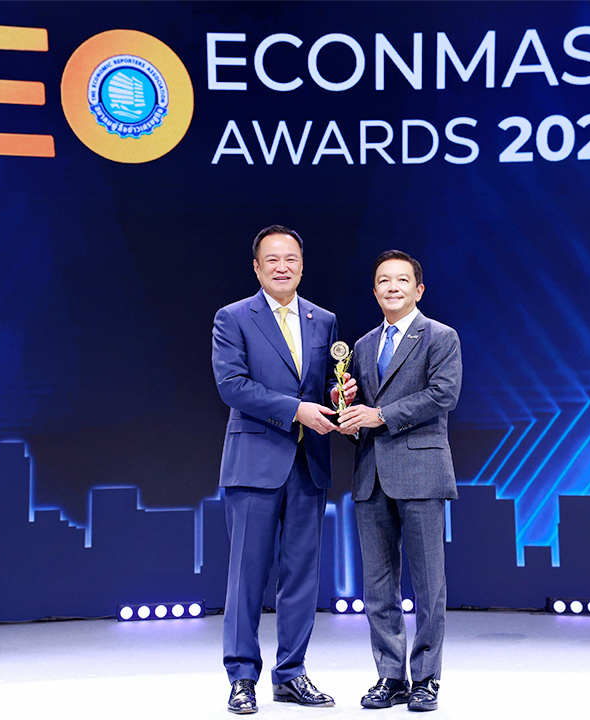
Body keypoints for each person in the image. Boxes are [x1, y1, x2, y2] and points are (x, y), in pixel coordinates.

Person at [211, 225, 353, 714]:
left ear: (302, 265)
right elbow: (232, 386)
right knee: (247, 577)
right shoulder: (233, 317)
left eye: (290, 258)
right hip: (254, 463)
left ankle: (291, 673)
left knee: (301, 577)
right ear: (256, 267)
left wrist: (338, 395)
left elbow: (325, 383)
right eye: (271, 259)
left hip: (308, 464)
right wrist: (296, 410)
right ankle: (241, 677)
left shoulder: (323, 319)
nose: (282, 266)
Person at [337, 250, 461, 713]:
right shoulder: (363, 345)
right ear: (374, 291)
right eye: (384, 281)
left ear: (418, 289)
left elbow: (443, 394)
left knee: (429, 586)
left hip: (421, 473)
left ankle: (426, 678)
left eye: (402, 280)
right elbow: (362, 410)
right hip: (371, 474)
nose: (392, 287)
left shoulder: (440, 336)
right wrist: (347, 411)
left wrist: (379, 415)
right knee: (378, 586)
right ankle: (390, 676)